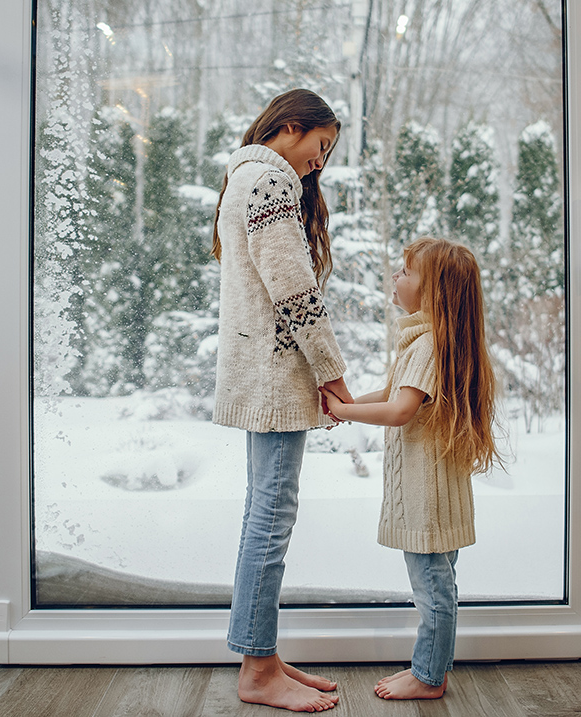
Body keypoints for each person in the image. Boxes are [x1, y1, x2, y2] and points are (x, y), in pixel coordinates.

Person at [211, 88, 353, 713]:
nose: (320, 163)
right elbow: (293, 291)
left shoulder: (245, 179)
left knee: (262, 513)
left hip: (258, 374)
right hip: (274, 377)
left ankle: (260, 653)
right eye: (321, 146)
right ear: (291, 126)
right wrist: (331, 373)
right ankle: (257, 669)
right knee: (271, 517)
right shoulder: (269, 185)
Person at [322, 236, 499, 701]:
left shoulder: (429, 346)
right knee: (438, 584)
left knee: (433, 591)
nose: (395, 278)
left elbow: (400, 409)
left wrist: (344, 412)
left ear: (433, 290)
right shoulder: (428, 341)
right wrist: (342, 405)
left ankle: (429, 675)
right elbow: (391, 392)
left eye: (405, 272)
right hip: (437, 492)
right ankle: (428, 669)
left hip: (427, 496)